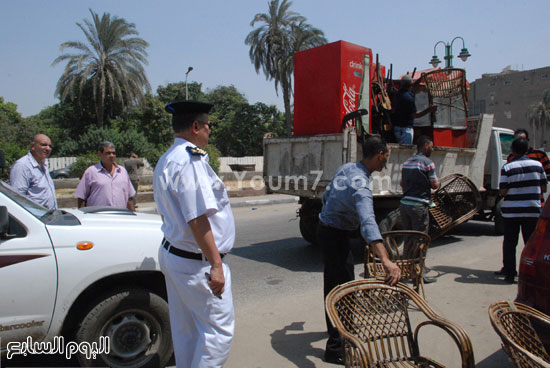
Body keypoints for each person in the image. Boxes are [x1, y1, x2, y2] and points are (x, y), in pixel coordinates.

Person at [153, 100, 235, 367]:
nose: (210, 131)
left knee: (186, 331)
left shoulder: (168, 158)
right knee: (217, 334)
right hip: (195, 262)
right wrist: (217, 264)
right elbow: (198, 219)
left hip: (176, 255)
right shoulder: (190, 160)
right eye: (208, 125)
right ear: (196, 126)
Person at [317, 134, 401, 365]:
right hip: (335, 235)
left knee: (334, 285)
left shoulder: (347, 168)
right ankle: (335, 348)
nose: (387, 162)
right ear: (379, 155)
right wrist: (386, 260)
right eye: (386, 157)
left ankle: (338, 330)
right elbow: (368, 223)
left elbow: (326, 195)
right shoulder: (361, 185)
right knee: (342, 291)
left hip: (327, 229)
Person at [496, 137, 547, 283]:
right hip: (532, 211)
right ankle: (532, 274)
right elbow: (543, 187)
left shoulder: (507, 168)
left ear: (512, 150)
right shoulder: (538, 165)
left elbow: (503, 191)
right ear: (527, 149)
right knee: (531, 245)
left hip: (511, 212)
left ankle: (510, 273)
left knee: (510, 243)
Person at [74, 142, 136, 211]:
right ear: (99, 154)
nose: (112, 155)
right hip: (99, 218)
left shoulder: (122, 171)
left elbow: (129, 198)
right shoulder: (91, 172)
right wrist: (82, 217)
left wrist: (135, 216)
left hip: (121, 217)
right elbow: (81, 198)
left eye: (114, 153)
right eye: (108, 153)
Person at [9, 134, 57, 210]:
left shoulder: (43, 164)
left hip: (48, 216)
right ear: (33, 146)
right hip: (35, 218)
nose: (48, 148)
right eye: (44, 145)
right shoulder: (22, 166)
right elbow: (17, 197)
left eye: (50, 146)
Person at [506, 128, 550, 204]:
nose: (520, 142)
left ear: (527, 140)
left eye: (522, 139)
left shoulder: (540, 154)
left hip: (536, 202)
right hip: (516, 202)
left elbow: (548, 176)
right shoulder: (511, 158)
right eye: (517, 140)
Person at [391, 75, 437, 145]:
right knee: (406, 151)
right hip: (405, 130)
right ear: (410, 85)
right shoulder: (408, 99)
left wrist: (420, 78)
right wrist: (429, 110)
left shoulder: (398, 93)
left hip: (398, 128)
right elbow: (415, 115)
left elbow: (414, 87)